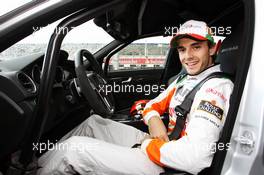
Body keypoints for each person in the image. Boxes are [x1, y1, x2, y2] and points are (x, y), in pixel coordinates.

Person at [37, 20, 234, 175]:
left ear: (213, 49)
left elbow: (194, 158)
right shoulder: (187, 78)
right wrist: (154, 119)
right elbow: (152, 105)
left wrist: (148, 144)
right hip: (163, 145)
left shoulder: (216, 88)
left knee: (74, 150)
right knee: (93, 123)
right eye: (182, 49)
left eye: (196, 47)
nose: (187, 56)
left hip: (171, 166)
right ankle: (37, 165)